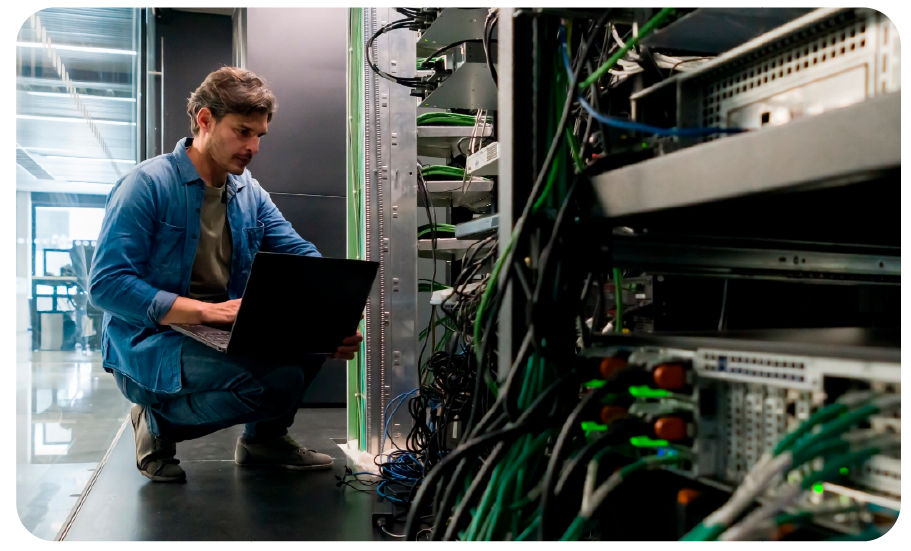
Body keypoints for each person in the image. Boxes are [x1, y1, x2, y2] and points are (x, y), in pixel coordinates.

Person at [89, 67, 361, 483]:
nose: (253, 146)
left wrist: (327, 318)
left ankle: (263, 441)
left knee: (306, 348)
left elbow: (302, 258)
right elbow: (106, 285)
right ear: (204, 120)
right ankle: (156, 424)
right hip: (151, 339)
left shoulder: (249, 192)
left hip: (221, 329)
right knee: (274, 383)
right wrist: (204, 312)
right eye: (242, 132)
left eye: (259, 136)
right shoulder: (146, 185)